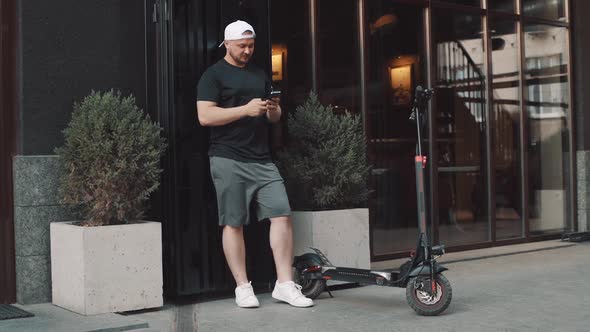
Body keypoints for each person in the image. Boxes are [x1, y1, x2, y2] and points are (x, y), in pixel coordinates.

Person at [196, 20, 313, 308]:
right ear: (227, 44)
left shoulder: (260, 74)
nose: (248, 51)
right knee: (233, 222)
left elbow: (274, 118)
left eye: (251, 46)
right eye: (242, 46)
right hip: (227, 157)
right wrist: (245, 110)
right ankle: (242, 287)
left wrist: (273, 110)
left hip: (262, 159)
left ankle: (285, 285)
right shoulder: (212, 76)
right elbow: (205, 117)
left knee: (282, 214)